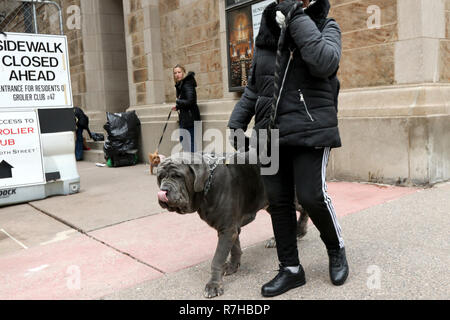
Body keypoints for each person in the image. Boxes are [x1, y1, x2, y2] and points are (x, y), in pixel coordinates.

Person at [228, 0, 348, 297]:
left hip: (310, 127)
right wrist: (236, 122)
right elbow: (255, 87)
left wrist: (296, 16)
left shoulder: (325, 25)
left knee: (311, 195)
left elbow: (324, 62)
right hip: (269, 134)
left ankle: (336, 248)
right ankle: (291, 268)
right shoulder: (267, 31)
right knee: (277, 201)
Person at [172, 64, 201, 153]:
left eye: (179, 72)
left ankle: (194, 163)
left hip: (190, 118)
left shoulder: (187, 84)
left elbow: (191, 101)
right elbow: (185, 100)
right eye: (175, 73)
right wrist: (178, 107)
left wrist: (178, 101)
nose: (177, 74)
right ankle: (190, 161)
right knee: (183, 140)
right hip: (185, 118)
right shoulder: (181, 85)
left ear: (184, 72)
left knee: (190, 142)